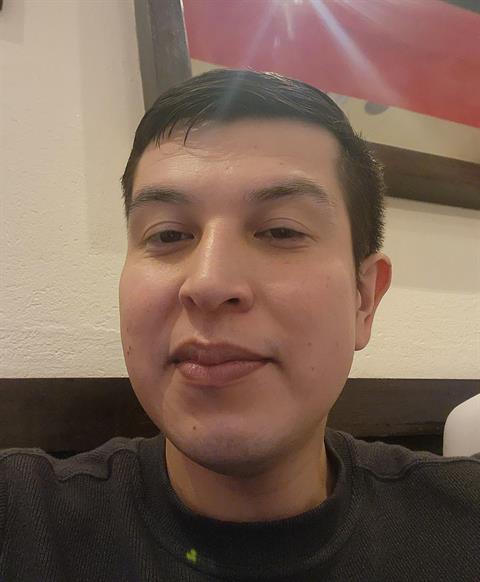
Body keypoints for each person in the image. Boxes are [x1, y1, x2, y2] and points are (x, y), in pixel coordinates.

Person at [1, 69, 478, 581]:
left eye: (280, 231)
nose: (208, 283)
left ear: (364, 300)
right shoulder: (22, 520)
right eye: (167, 235)